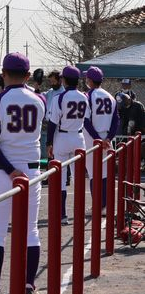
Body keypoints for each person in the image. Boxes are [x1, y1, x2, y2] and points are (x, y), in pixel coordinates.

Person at [0, 52, 45, 294]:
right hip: (31, 169)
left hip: (2, 172)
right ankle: (28, 286)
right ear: (27, 75)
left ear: (3, 73)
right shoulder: (39, 100)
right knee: (30, 230)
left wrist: (10, 170)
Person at [46, 66, 89, 225]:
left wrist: (48, 143)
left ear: (64, 80)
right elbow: (88, 119)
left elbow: (52, 123)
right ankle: (79, 215)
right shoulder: (84, 96)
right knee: (79, 179)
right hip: (78, 137)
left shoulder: (59, 98)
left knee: (61, 178)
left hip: (62, 137)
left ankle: (63, 215)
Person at [83, 67, 118, 215]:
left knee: (93, 174)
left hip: (92, 138)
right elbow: (116, 120)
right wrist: (108, 138)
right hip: (108, 138)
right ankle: (104, 205)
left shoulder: (88, 96)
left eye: (87, 78)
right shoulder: (110, 96)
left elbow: (86, 121)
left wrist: (98, 139)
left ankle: (98, 206)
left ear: (90, 81)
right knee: (104, 173)